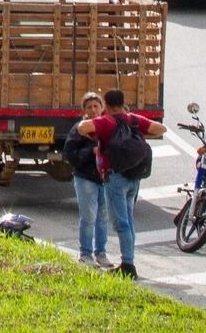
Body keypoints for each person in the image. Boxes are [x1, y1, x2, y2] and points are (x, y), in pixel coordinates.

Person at [75, 88, 164, 277]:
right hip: (134, 177)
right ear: (123, 103)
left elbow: (82, 128)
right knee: (129, 221)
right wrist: (138, 136)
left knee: (121, 222)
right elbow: (160, 129)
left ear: (105, 105)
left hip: (115, 177)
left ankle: (128, 265)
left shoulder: (107, 122)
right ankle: (129, 259)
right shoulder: (133, 120)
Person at [64, 92, 109, 267]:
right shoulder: (79, 129)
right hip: (85, 178)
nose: (93, 110)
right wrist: (89, 152)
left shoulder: (107, 126)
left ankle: (101, 253)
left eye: (96, 106)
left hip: (105, 179)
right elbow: (69, 155)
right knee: (88, 216)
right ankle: (85, 253)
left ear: (102, 108)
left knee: (103, 217)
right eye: (89, 107)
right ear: (84, 110)